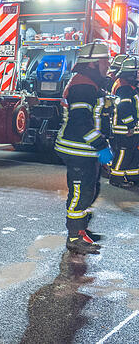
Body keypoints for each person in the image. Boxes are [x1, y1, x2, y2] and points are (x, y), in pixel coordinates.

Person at [55, 41, 113, 254]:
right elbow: (80, 121)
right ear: (92, 64)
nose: (108, 65)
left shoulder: (88, 82)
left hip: (85, 150)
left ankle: (81, 230)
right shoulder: (83, 86)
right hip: (77, 149)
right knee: (80, 194)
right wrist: (101, 145)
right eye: (105, 61)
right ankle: (74, 237)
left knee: (89, 191)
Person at [109, 57, 139, 187]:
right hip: (125, 130)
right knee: (123, 153)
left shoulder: (126, 85)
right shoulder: (124, 88)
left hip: (130, 129)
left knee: (132, 154)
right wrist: (130, 126)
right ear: (132, 73)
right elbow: (124, 109)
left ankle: (132, 176)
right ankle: (116, 179)